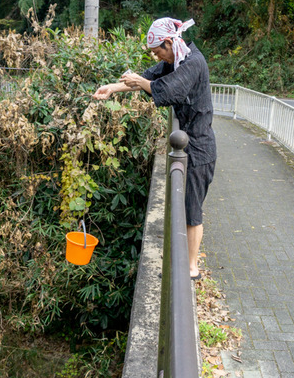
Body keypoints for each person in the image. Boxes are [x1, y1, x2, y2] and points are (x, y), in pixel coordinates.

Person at [92, 17, 216, 280]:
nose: (157, 56)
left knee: (192, 210)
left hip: (200, 148)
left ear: (169, 42)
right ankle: (183, 262)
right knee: (183, 206)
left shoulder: (193, 62)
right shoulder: (176, 60)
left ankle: (191, 268)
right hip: (188, 143)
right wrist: (113, 88)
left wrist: (140, 82)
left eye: (157, 51)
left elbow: (168, 91)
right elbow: (148, 78)